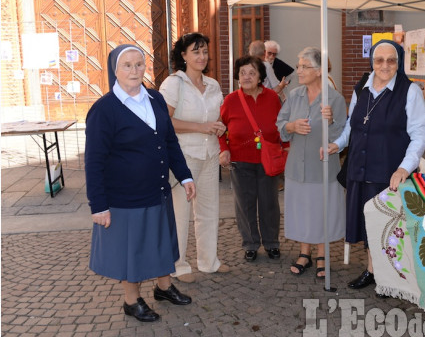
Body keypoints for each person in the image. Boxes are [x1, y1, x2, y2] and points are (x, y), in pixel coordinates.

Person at [85, 44, 194, 322]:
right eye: (127, 65)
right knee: (131, 251)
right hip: (124, 198)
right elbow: (94, 163)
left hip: (157, 190)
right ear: (115, 70)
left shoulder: (155, 99)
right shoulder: (104, 110)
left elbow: (169, 142)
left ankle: (163, 288)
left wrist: (185, 175)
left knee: (161, 241)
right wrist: (98, 206)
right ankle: (131, 301)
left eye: (139, 64)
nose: (134, 71)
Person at [326, 40, 425, 290]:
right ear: (372, 61)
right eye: (379, 60)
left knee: (389, 227)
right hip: (360, 168)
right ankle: (373, 271)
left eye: (391, 60)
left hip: (389, 171)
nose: (385, 65)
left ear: (398, 63)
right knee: (369, 223)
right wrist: (337, 145)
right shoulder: (362, 87)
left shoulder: (410, 91)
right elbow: (352, 124)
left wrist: (405, 167)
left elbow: (419, 134)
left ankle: (390, 276)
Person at [159, 33, 229, 284]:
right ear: (184, 55)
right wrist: (202, 127)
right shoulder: (173, 83)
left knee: (209, 211)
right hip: (183, 157)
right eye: (195, 51)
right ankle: (178, 264)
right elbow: (164, 122)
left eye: (204, 51)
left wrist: (218, 128)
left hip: (209, 154)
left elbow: (215, 119)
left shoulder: (213, 85)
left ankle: (209, 262)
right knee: (180, 213)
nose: (202, 56)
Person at [276, 47, 347, 278]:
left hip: (323, 168)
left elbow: (343, 135)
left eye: (304, 66)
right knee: (302, 211)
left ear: (319, 70)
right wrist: (291, 126)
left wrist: (333, 119)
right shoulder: (294, 95)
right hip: (297, 166)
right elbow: (280, 124)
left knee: (321, 211)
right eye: (299, 66)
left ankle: (322, 255)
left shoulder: (334, 99)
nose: (299, 70)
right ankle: (304, 253)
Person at [219, 55, 283, 262]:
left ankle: (272, 242)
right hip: (240, 159)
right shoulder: (230, 100)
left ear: (260, 77)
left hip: (267, 159)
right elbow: (220, 129)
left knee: (269, 202)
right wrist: (224, 149)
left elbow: (281, 126)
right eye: (242, 73)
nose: (246, 77)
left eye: (251, 73)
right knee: (245, 204)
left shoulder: (273, 98)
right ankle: (250, 243)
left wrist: (286, 148)